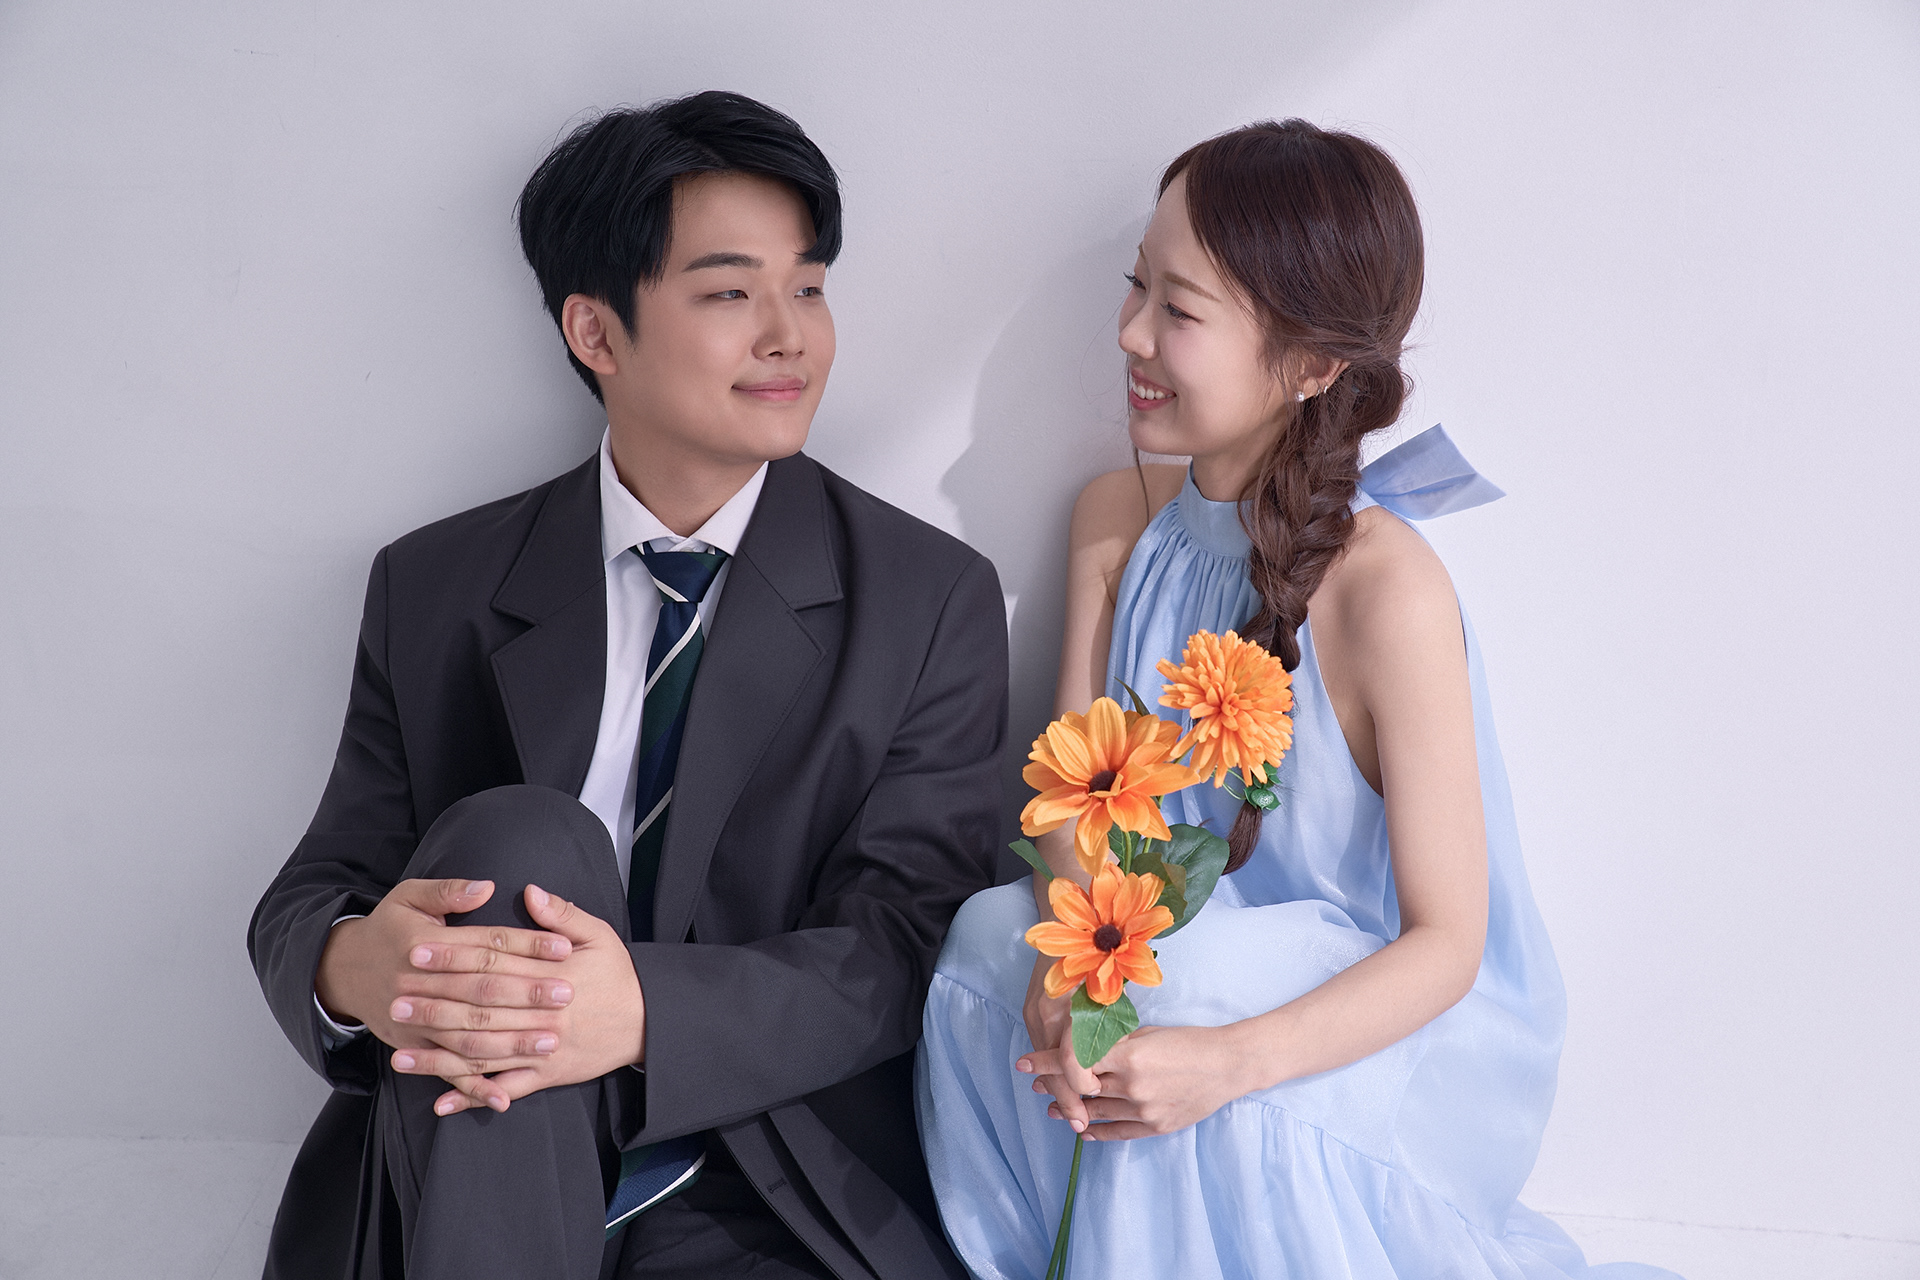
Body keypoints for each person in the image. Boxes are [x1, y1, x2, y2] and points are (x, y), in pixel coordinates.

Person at [249, 90, 1005, 1280]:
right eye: (729, 294)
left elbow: (906, 942)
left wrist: (642, 1009)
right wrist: (360, 965)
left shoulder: (925, 597)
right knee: (520, 840)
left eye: (808, 288)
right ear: (596, 333)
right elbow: (317, 886)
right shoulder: (437, 583)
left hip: (762, 1176)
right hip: (465, 1153)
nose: (790, 337)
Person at [915, 121, 1680, 1279]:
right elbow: (1070, 804)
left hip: (1378, 1025)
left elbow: (1446, 945)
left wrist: (1227, 1060)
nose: (1130, 333)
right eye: (1136, 285)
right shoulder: (1117, 521)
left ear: (1314, 363)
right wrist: (1077, 959)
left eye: (1179, 309)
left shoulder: (1385, 587)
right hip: (1178, 958)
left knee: (1171, 990)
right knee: (990, 934)